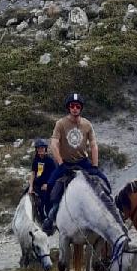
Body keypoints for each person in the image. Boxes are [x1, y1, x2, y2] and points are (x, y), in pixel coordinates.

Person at [41, 93, 109, 234]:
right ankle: (48, 219)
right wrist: (60, 163)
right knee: (50, 186)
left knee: (104, 180)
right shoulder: (60, 124)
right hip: (65, 163)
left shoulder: (87, 124)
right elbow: (54, 144)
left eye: (78, 106)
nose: (75, 109)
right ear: (68, 108)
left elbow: (94, 145)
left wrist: (95, 166)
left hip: (82, 162)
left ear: (81, 108)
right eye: (72, 106)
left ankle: (111, 211)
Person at [28, 137, 55, 220]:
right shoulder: (35, 160)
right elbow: (33, 173)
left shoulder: (50, 161)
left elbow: (53, 175)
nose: (40, 150)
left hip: (46, 184)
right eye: (39, 148)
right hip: (37, 183)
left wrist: (47, 184)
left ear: (45, 149)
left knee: (46, 202)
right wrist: (31, 186)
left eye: (42, 148)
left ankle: (48, 220)